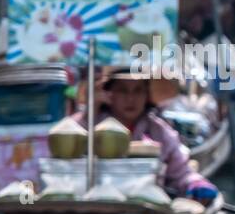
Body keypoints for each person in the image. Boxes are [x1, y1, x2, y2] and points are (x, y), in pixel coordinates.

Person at [75, 72, 219, 203]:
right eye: (123, 90)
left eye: (138, 91)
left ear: (147, 95)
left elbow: (182, 173)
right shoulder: (87, 123)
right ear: (109, 93)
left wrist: (196, 184)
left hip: (146, 208)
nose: (130, 99)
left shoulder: (160, 132)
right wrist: (89, 112)